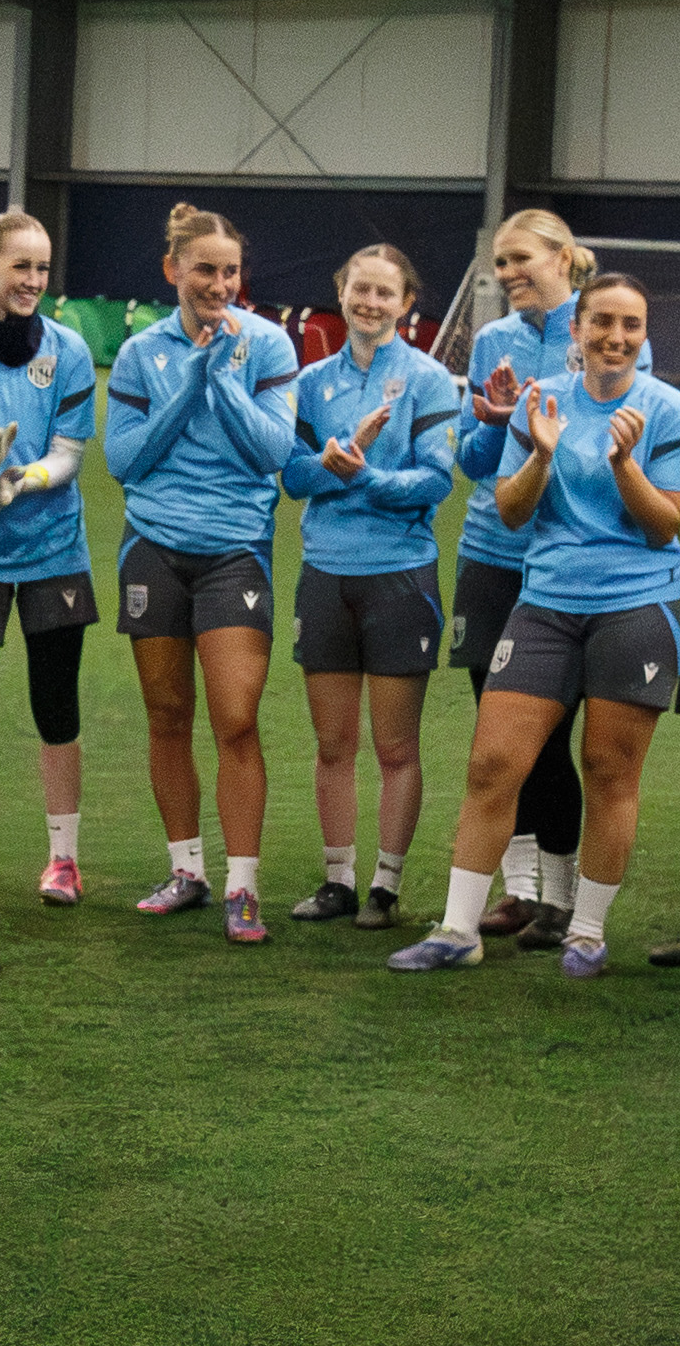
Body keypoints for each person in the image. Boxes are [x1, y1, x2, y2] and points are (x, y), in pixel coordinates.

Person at [392, 275, 680, 977]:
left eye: (631, 325)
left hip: (635, 606)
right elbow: (511, 509)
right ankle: (459, 927)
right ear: (575, 330)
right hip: (544, 603)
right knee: (493, 763)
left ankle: (584, 932)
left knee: (608, 771)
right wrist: (542, 453)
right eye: (601, 322)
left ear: (644, 335)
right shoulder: (538, 397)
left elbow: (664, 525)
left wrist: (621, 465)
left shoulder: (665, 408)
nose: (616, 336)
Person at [103, 203, 299, 944]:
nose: (218, 283)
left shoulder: (268, 344)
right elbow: (123, 461)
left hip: (232, 552)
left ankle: (242, 886)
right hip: (151, 545)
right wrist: (188, 380)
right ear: (172, 271)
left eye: (229, 271)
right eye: (204, 269)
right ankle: (186, 869)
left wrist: (219, 380)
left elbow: (271, 452)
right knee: (165, 714)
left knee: (236, 718)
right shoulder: (139, 353)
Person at [449, 211, 638, 950]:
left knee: (559, 737)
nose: (505, 273)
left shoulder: (604, 329)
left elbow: (618, 442)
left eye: (518, 258)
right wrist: (498, 421)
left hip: (568, 565)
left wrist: (544, 429)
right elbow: (471, 458)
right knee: (499, 731)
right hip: (491, 548)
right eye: (497, 262)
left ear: (563, 258)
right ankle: (519, 890)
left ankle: (560, 899)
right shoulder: (493, 339)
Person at [279, 246, 458, 928]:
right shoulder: (313, 379)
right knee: (332, 743)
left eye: (386, 293)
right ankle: (337, 880)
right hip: (325, 572)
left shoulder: (430, 380)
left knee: (393, 747)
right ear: (340, 291)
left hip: (398, 575)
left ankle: (384, 885)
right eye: (360, 289)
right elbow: (292, 478)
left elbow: (435, 481)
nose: (370, 303)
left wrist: (363, 477)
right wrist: (328, 463)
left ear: (406, 303)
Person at [0, 211, 97, 905]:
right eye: (20, 266)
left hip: (52, 551)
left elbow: (68, 454)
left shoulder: (67, 348)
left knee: (56, 703)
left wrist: (20, 478)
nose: (33, 281)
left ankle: (63, 860)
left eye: (41, 268)